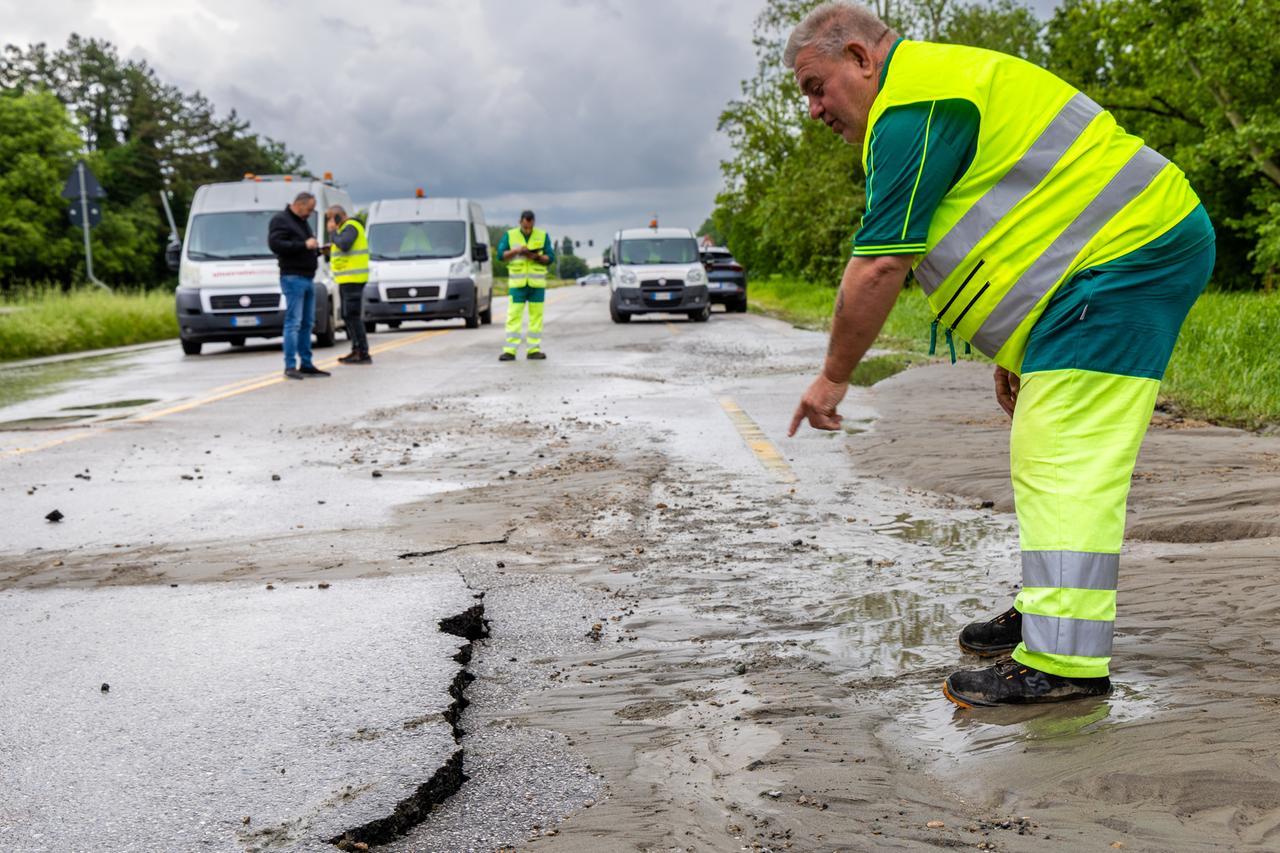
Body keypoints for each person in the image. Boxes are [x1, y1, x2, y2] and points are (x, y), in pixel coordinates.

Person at [783, 2, 1215, 707]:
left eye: (814, 86)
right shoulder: (930, 90)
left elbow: (879, 266)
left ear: (860, 57)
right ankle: (1051, 610)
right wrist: (1019, 343)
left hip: (1127, 259)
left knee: (1061, 451)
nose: (813, 109)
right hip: (1106, 264)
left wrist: (833, 377)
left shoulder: (915, 105)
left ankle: (1062, 661)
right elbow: (1031, 214)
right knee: (1045, 445)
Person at [268, 192, 331, 380]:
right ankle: (290, 365)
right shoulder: (281, 220)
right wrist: (304, 245)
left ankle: (306, 363)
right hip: (292, 277)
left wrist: (318, 251)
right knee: (293, 322)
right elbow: (276, 244)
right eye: (309, 209)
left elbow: (304, 247)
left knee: (307, 323)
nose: (310, 213)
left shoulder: (302, 222)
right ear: (299, 204)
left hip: (307, 277)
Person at [496, 210, 556, 361]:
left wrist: (535, 256)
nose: (528, 228)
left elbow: (550, 258)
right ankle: (510, 350)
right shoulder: (510, 235)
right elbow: (500, 255)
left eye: (530, 226)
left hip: (537, 285)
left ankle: (533, 350)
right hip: (518, 285)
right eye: (525, 226)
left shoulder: (542, 236)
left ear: (533, 222)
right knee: (513, 317)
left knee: (536, 317)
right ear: (520, 222)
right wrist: (516, 251)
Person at [327, 205, 372, 365]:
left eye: (331, 218)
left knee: (352, 316)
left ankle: (362, 352)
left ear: (338, 217)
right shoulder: (347, 228)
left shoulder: (351, 226)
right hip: (346, 279)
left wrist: (332, 232)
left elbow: (344, 244)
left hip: (353, 278)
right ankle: (356, 350)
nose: (329, 222)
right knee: (347, 315)